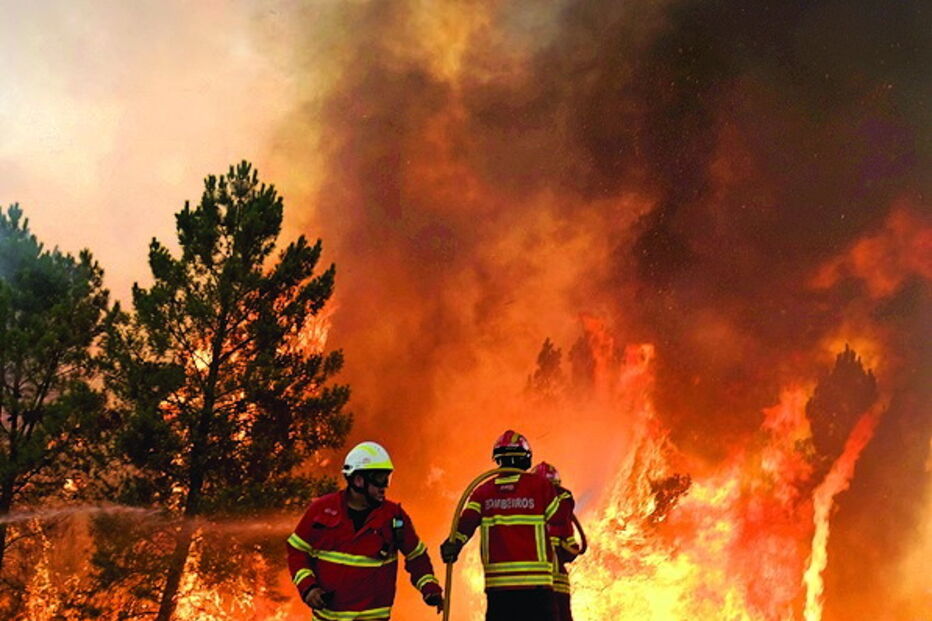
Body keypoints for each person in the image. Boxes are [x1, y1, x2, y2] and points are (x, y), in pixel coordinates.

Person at [286, 441, 444, 620]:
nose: (384, 486)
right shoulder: (321, 510)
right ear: (358, 480)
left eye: (387, 478)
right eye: (379, 479)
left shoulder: (394, 517)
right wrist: (308, 588)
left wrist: (430, 588)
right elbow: (297, 551)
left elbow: (417, 557)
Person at [440, 430, 567, 621]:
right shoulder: (540, 487)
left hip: (499, 592)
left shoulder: (483, 492)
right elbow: (559, 519)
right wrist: (566, 498)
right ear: (526, 458)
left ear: (498, 459)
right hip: (537, 588)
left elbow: (465, 525)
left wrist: (453, 545)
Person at [532, 462, 581, 621]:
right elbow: (571, 552)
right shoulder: (562, 513)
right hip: (557, 585)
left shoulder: (525, 509)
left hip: (528, 583)